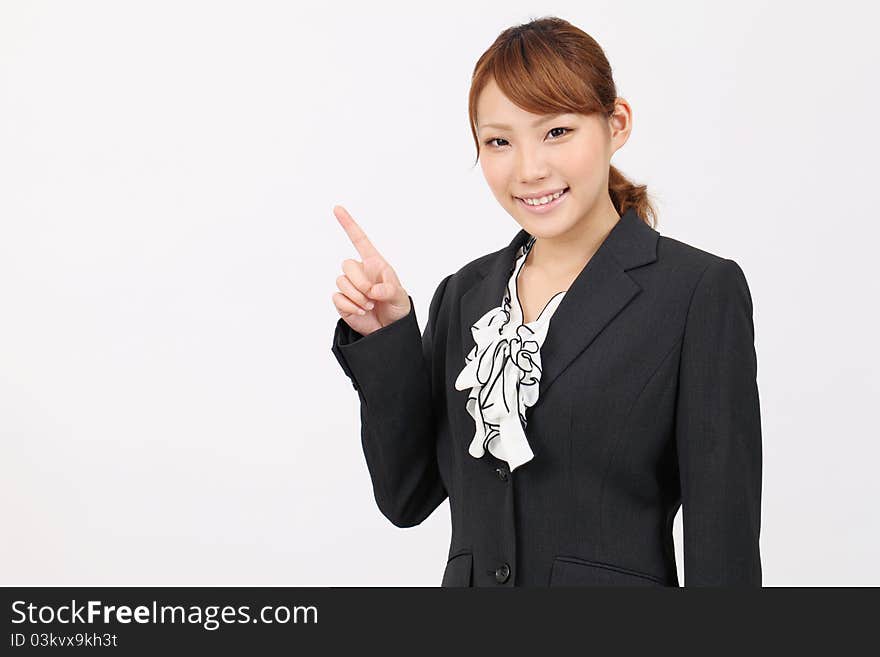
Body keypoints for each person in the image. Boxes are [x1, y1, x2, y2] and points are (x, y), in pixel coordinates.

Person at [330, 16, 762, 587]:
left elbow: (723, 548)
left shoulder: (696, 292)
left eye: (556, 131)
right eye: (499, 141)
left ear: (617, 123)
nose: (530, 169)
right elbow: (405, 497)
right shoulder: (464, 296)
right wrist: (387, 337)